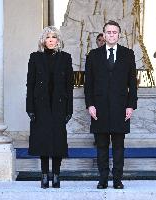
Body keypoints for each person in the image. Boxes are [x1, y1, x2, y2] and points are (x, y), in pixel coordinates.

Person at [84, 20, 137, 189]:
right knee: (101, 146)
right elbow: (88, 83)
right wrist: (90, 105)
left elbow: (132, 83)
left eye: (115, 32)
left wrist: (131, 105)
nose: (112, 35)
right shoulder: (93, 55)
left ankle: (117, 179)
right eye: (109, 32)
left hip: (121, 107)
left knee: (119, 146)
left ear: (119, 35)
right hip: (99, 108)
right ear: (104, 34)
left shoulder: (128, 54)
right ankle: (102, 179)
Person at [26, 26, 73, 189]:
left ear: (58, 40)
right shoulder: (35, 57)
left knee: (58, 141)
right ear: (43, 40)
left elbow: (69, 86)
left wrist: (69, 110)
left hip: (59, 105)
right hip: (40, 106)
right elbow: (30, 84)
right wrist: (29, 108)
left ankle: (57, 175)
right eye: (48, 37)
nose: (51, 40)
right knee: (43, 141)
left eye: (54, 37)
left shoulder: (66, 58)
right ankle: (45, 175)